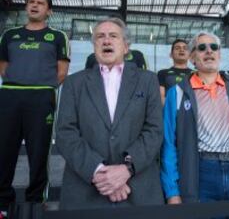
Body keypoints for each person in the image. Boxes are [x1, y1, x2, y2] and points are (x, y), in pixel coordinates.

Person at [161, 31, 229, 219]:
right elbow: (169, 144)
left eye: (214, 47)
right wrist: (172, 192)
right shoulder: (177, 93)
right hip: (200, 176)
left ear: (220, 54)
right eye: (201, 47)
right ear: (192, 57)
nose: (208, 51)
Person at [56, 18, 164, 209]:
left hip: (138, 190)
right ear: (94, 45)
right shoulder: (74, 83)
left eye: (113, 36)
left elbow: (154, 130)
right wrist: (99, 172)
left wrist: (126, 169)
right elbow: (66, 133)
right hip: (86, 192)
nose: (106, 41)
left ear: (125, 46)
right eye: (100, 37)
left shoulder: (148, 80)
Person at [0, 0, 70, 218]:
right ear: (26, 7)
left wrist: (40, 85)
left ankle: (36, 202)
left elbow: (61, 72)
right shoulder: (9, 35)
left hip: (41, 97)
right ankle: (3, 203)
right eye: (31, 2)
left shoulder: (57, 36)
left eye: (40, 3)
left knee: (39, 152)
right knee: (4, 151)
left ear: (48, 11)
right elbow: (3, 67)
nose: (35, 5)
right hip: (10, 95)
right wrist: (18, 81)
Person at [157, 39, 193, 104]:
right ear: (171, 55)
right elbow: (161, 97)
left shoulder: (196, 74)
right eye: (177, 48)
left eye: (185, 48)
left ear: (189, 55)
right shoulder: (162, 73)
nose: (181, 50)